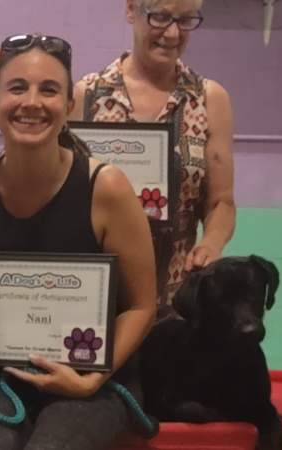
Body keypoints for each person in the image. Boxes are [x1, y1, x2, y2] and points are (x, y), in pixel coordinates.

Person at [0, 33, 163, 450]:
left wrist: (91, 380)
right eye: (17, 88)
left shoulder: (106, 187)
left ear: (68, 107)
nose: (32, 102)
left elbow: (142, 306)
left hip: (93, 379)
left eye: (49, 90)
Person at [74, 0, 236, 312]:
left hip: (176, 301)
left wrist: (211, 243)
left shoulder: (210, 99)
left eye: (186, 20)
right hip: (96, 301)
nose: (173, 33)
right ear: (131, 10)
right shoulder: (86, 95)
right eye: (160, 17)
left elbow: (221, 202)